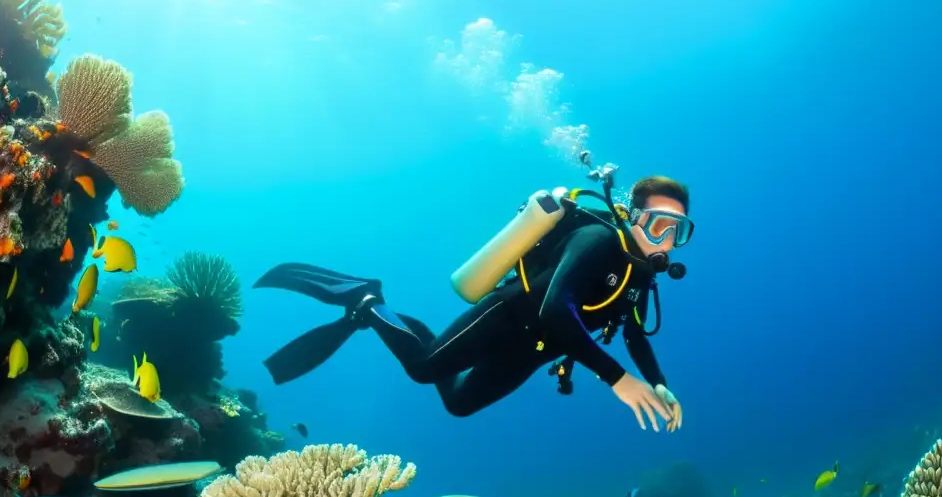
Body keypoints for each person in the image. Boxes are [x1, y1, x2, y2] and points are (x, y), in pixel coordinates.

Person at [255, 174, 694, 430]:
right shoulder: (597, 239)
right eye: (658, 225)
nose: (668, 241)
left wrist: (656, 380)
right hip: (507, 318)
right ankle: (366, 300)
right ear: (633, 216)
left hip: (532, 352)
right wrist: (618, 379)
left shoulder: (641, 275)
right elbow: (555, 309)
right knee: (423, 370)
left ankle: (411, 328)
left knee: (460, 404)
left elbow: (636, 333)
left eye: (679, 231)